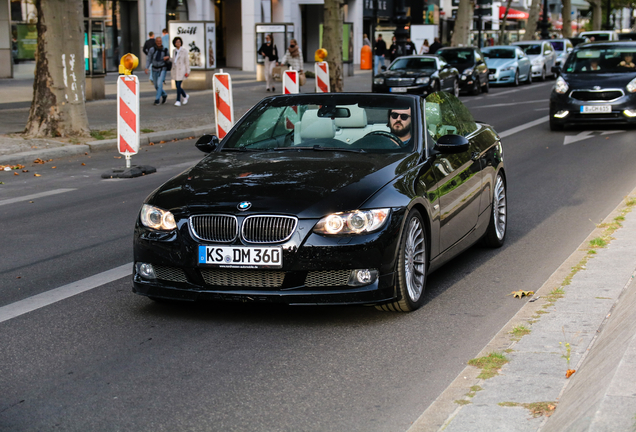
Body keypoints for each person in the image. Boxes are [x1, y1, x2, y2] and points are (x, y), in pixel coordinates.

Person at [144, 36, 170, 105]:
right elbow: (149, 59)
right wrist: (146, 67)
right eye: (157, 41)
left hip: (162, 69)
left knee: (159, 84)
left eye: (160, 41)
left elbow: (169, 58)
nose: (159, 43)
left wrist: (167, 58)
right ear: (156, 42)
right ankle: (164, 95)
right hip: (154, 69)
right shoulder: (152, 50)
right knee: (156, 85)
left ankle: (157, 99)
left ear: (161, 42)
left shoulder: (165, 49)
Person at [171, 37, 191, 107]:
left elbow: (186, 62)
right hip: (175, 70)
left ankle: (178, 100)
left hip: (182, 70)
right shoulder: (174, 51)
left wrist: (188, 71)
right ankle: (185, 96)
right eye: (176, 42)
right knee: (177, 86)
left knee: (179, 85)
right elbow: (174, 60)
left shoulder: (184, 51)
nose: (178, 43)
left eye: (179, 42)